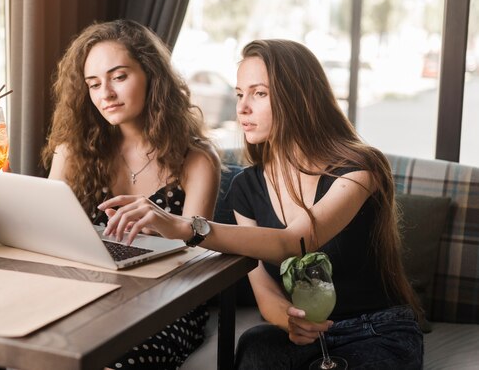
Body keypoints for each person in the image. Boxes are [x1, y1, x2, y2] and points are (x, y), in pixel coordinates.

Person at [99, 39, 424, 369]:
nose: (242, 108)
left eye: (259, 93)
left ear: (298, 97)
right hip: (301, 338)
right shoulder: (246, 187)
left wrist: (185, 227)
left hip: (373, 331)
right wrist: (290, 320)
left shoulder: (360, 168)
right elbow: (264, 288)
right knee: (254, 345)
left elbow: (294, 242)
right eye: (240, 94)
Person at [42, 19, 221, 369]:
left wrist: (168, 227)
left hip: (166, 302)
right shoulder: (73, 152)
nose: (105, 94)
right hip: (90, 291)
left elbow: (197, 256)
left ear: (151, 75)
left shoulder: (196, 160)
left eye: (119, 77)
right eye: (93, 84)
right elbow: (46, 229)